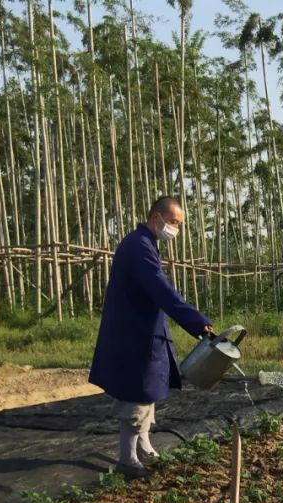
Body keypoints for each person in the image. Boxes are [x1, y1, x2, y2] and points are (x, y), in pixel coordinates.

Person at [89, 196, 213, 478]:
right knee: (137, 395)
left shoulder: (146, 244)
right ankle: (127, 457)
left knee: (149, 393)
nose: (175, 229)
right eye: (173, 222)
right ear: (155, 217)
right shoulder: (138, 247)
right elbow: (160, 289)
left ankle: (143, 446)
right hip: (134, 335)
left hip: (145, 332)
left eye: (178, 225)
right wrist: (196, 321)